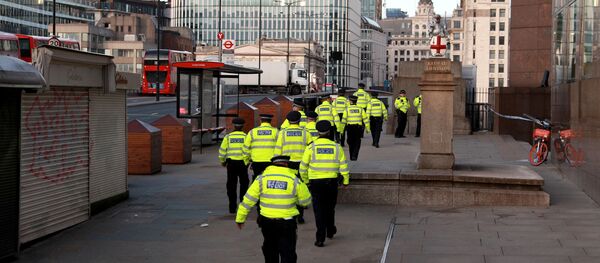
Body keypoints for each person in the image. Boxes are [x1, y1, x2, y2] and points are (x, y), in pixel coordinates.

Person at [236, 155, 312, 263]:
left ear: (272, 164)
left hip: (267, 222)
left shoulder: (261, 179)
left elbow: (248, 200)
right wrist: (295, 200)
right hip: (287, 223)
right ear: (286, 164)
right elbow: (306, 201)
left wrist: (240, 218)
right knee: (288, 252)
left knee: (270, 251)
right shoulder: (294, 179)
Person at [299, 120, 349, 247]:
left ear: (317, 132)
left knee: (319, 210)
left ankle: (320, 238)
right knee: (330, 208)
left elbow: (303, 167)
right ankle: (330, 229)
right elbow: (343, 166)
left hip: (315, 183)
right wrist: (346, 180)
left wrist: (306, 181)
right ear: (329, 132)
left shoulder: (311, 147)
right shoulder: (336, 147)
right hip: (331, 182)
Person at [274, 111, 312, 224]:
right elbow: (311, 149)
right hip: (301, 164)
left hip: (287, 164)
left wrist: (276, 164)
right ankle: (300, 215)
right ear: (300, 121)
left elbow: (278, 150)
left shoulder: (283, 133)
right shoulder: (306, 133)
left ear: (288, 121)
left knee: (288, 188)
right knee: (300, 189)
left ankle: (289, 213)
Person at [218, 118, 250, 213]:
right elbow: (248, 150)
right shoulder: (246, 137)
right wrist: (247, 161)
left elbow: (222, 150)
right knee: (244, 184)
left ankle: (232, 207)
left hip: (231, 164)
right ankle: (242, 205)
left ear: (234, 126)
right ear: (242, 126)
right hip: (242, 164)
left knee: (231, 185)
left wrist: (223, 161)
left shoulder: (228, 137)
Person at [244, 114, 279, 180]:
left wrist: (247, 161)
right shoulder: (276, 132)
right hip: (271, 161)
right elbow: (279, 147)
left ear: (261, 121)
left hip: (256, 161)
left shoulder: (252, 132)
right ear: (270, 121)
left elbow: (246, 147)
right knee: (269, 180)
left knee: (257, 179)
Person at [340, 95, 370, 161]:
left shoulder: (347, 109)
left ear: (350, 101)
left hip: (350, 128)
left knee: (350, 142)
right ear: (356, 101)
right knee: (357, 142)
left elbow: (343, 120)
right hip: (358, 128)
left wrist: (341, 130)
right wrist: (368, 128)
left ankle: (352, 156)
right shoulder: (360, 109)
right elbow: (365, 119)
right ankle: (354, 156)